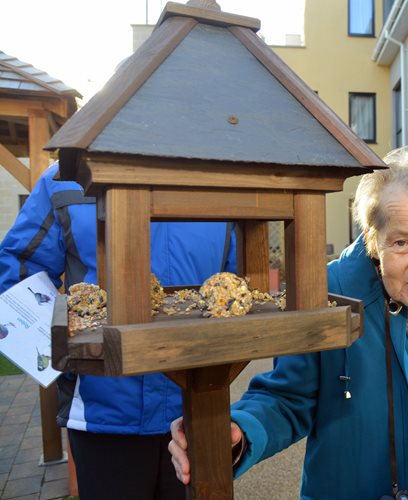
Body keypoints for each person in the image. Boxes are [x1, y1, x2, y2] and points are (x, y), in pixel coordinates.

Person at [169, 145, 408, 499]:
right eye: (401, 242)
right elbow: (288, 397)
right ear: (372, 238)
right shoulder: (328, 290)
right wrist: (239, 431)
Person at [0, 161, 237, 500]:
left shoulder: (222, 176)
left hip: (200, 407)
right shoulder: (65, 177)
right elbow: (18, 273)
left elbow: (236, 287)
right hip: (104, 411)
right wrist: (64, 359)